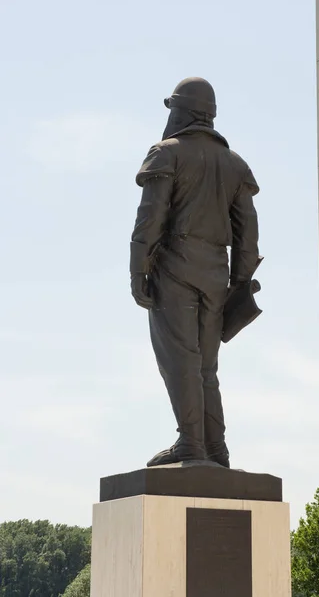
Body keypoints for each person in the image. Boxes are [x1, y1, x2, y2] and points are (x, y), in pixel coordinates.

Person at [130, 77, 260, 468]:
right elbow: (248, 234)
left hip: (176, 266)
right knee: (206, 366)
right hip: (216, 273)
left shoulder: (166, 153)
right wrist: (238, 284)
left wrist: (138, 270)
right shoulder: (235, 164)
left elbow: (150, 218)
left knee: (179, 360)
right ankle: (215, 449)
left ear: (181, 111)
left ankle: (190, 444)